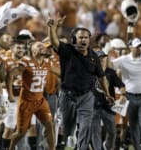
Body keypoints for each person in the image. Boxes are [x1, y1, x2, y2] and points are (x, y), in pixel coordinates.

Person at [47, 14, 113, 150]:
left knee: (85, 126)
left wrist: (107, 94)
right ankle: (61, 144)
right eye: (80, 37)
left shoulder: (94, 56)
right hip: (67, 96)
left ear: (89, 40)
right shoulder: (67, 50)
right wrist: (52, 28)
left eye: (86, 37)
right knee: (66, 128)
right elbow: (54, 42)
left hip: (86, 97)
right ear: (74, 39)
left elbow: (101, 76)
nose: (83, 40)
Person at [8, 41, 58, 150]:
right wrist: (10, 94)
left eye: (43, 46)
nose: (43, 47)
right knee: (21, 132)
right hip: (26, 101)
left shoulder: (47, 63)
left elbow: (59, 72)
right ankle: (10, 147)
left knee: (50, 125)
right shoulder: (26, 61)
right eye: (39, 46)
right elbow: (11, 74)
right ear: (33, 50)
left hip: (40, 100)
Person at [90, 50, 126, 150]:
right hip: (94, 106)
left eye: (103, 57)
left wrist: (123, 94)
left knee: (112, 132)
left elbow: (121, 85)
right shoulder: (90, 72)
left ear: (106, 59)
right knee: (95, 132)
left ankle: (107, 147)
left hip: (108, 106)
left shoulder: (111, 72)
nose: (102, 60)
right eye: (99, 58)